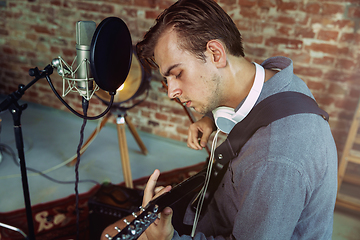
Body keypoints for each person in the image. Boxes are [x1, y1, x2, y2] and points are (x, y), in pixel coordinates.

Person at [101, 0, 338, 239]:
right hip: (212, 210)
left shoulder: (276, 159)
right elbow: (261, 101)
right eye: (167, 79)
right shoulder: (280, 83)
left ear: (215, 53)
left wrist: (167, 238)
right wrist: (211, 117)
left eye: (177, 74)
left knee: (110, 235)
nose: (171, 91)